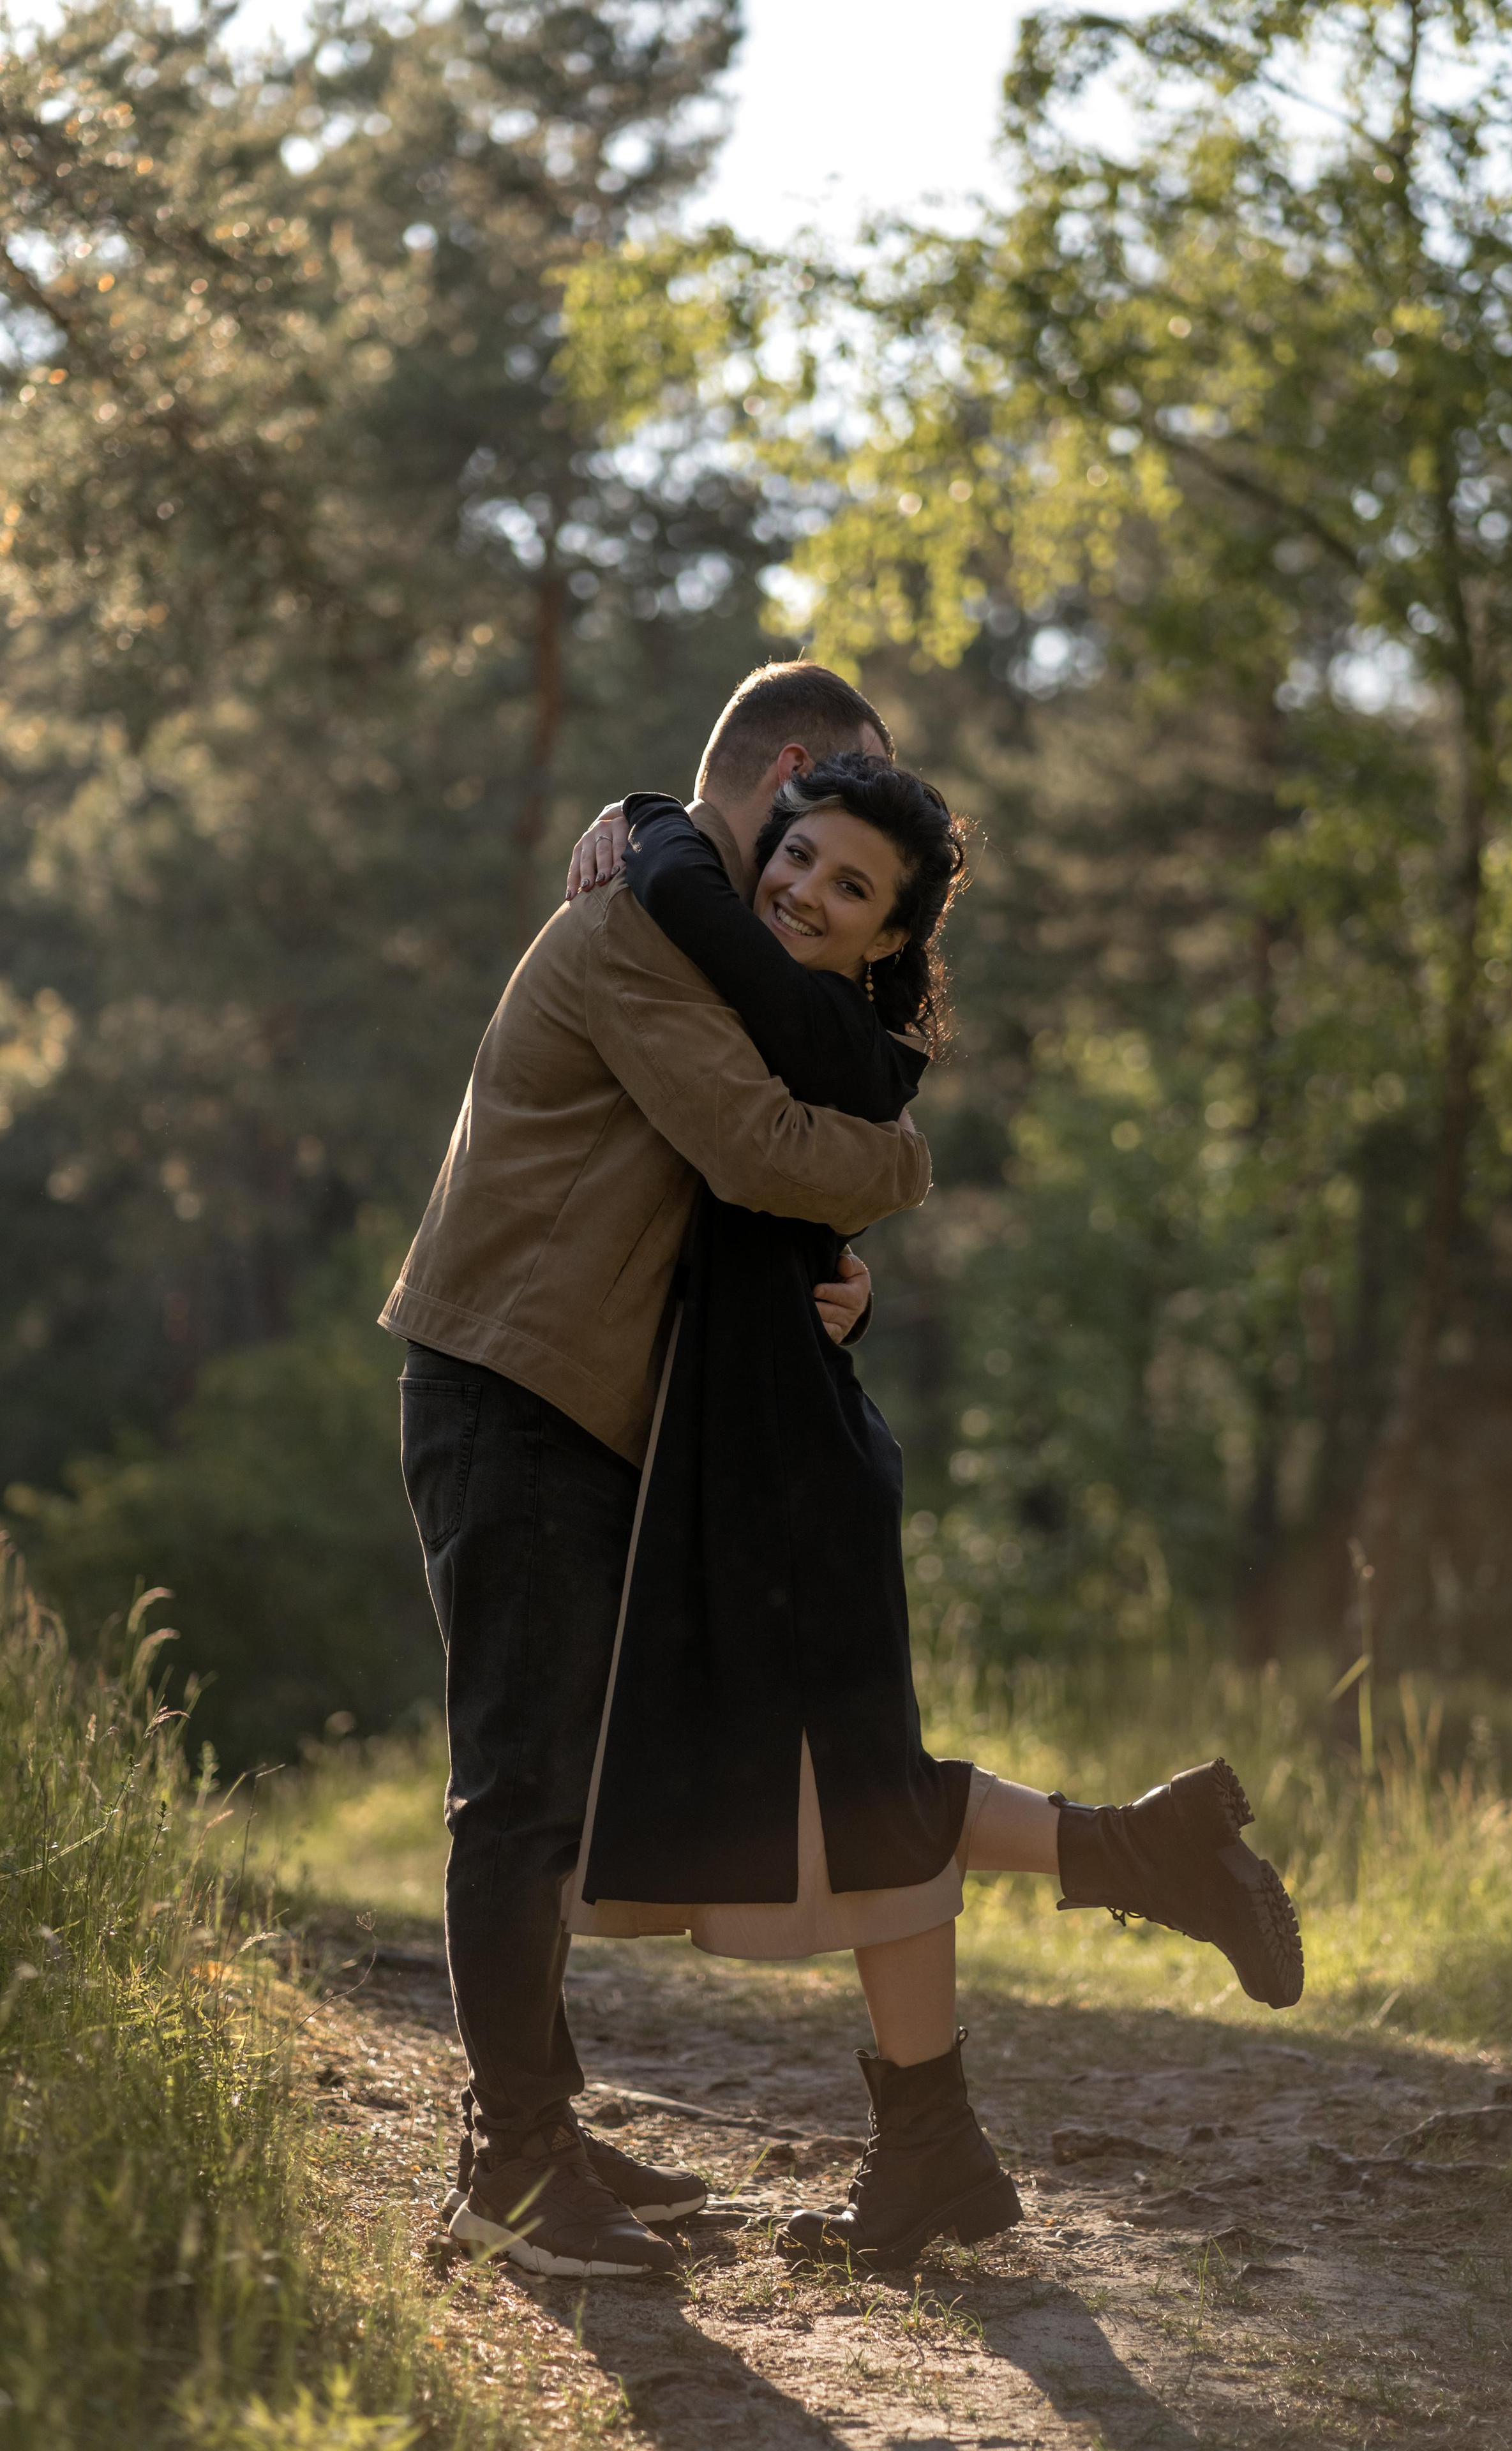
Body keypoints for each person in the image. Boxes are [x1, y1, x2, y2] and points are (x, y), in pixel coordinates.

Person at [543, 756, 1303, 2276]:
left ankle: (985, 2069)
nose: (799, 894)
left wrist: (657, 824)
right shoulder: (786, 997)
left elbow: (714, 923)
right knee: (858, 1784)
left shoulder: (815, 1013)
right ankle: (1102, 1900)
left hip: (784, 1472)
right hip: (764, 1447)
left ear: (889, 939)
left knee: (854, 1786)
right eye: (798, 857)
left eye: (847, 888)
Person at [382, 663, 934, 2280]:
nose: (821, 866)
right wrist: (898, 1171)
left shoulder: (699, 929)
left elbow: (747, 1193)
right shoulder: (639, 921)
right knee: (518, 1797)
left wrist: (840, 1272)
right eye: (825, 819)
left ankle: (534, 2124)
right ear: (784, 770)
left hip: (569, 1400)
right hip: (512, 1387)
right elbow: (753, 1143)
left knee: (547, 1791)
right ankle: (513, 2179)